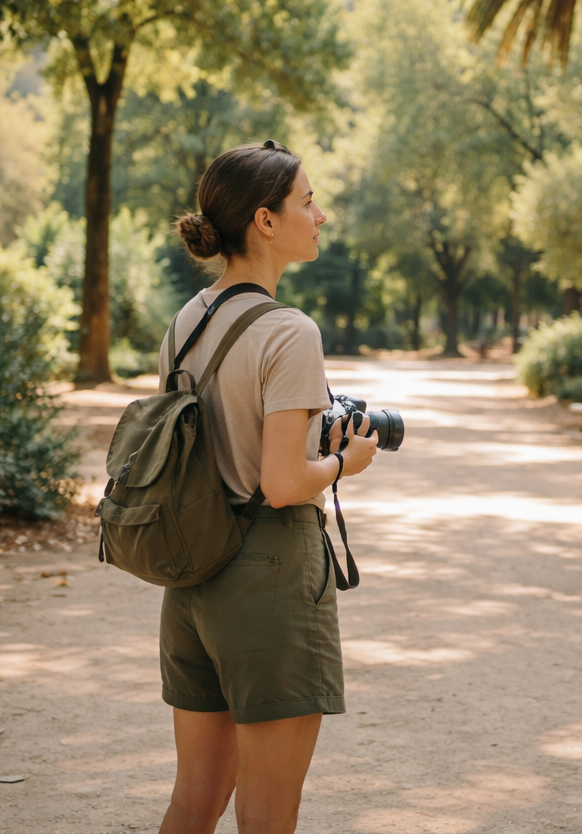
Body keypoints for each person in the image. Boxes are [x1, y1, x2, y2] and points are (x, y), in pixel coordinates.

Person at [157, 140, 378, 834]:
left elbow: (215, 441)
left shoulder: (187, 321)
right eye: (307, 201)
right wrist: (347, 464)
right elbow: (282, 484)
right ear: (265, 221)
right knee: (266, 816)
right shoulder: (290, 331)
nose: (321, 214)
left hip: (191, 578)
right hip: (269, 577)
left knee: (193, 805)